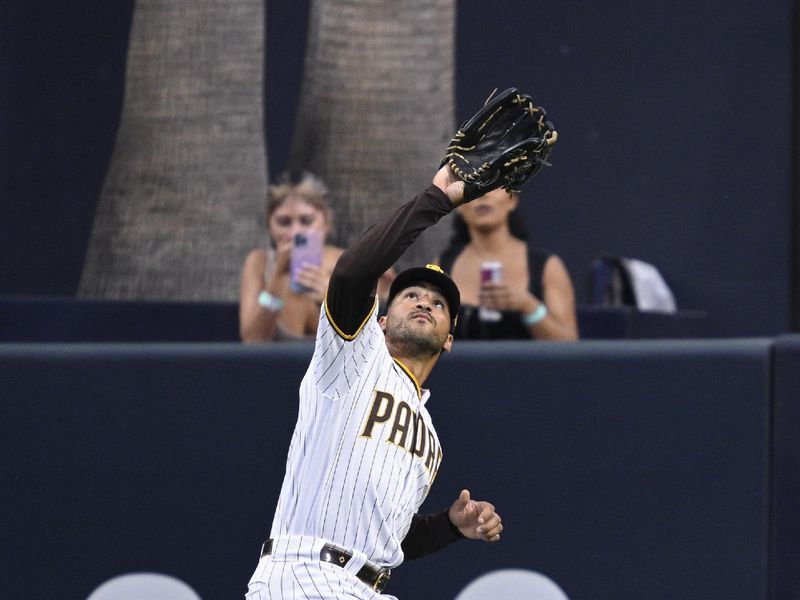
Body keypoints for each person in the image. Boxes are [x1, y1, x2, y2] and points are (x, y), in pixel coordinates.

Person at [245, 165, 503, 600]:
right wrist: (436, 199)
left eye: (439, 303)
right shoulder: (353, 355)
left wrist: (449, 527)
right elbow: (349, 274)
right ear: (380, 321)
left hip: (363, 584)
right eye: (410, 296)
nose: (424, 301)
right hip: (306, 574)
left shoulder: (432, 441)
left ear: (449, 339)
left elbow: (387, 540)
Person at [239, 172, 393, 342]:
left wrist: (333, 298)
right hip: (277, 362)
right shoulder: (260, 262)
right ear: (270, 225)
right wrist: (277, 278)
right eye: (284, 222)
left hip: (336, 361)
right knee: (295, 295)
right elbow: (253, 339)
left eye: (306, 221)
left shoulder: (348, 262)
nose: (295, 231)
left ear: (326, 223)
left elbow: (367, 336)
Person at [437, 187, 578, 340]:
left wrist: (528, 306)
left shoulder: (548, 267)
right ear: (460, 207)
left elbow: (569, 345)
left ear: (513, 200)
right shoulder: (441, 266)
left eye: (495, 186)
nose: (483, 195)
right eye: (473, 188)